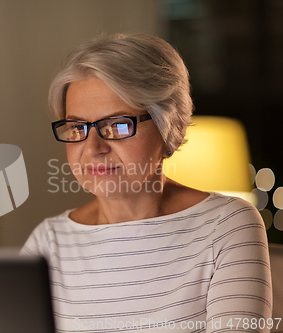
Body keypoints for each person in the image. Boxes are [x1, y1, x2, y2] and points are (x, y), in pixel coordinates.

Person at [21, 33, 272, 332]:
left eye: (116, 125)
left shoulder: (227, 226)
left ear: (171, 127)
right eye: (77, 127)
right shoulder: (48, 242)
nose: (93, 147)